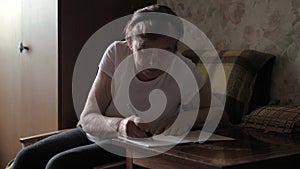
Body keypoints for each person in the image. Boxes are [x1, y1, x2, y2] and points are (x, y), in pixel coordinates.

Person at [13, 4, 230, 169]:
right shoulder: (116, 53)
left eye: (165, 51)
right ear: (129, 42)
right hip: (97, 132)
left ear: (175, 49)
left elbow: (219, 116)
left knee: (59, 164)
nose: (154, 60)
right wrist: (120, 124)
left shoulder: (184, 69)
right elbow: (88, 118)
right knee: (26, 158)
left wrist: (181, 119)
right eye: (144, 49)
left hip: (134, 146)